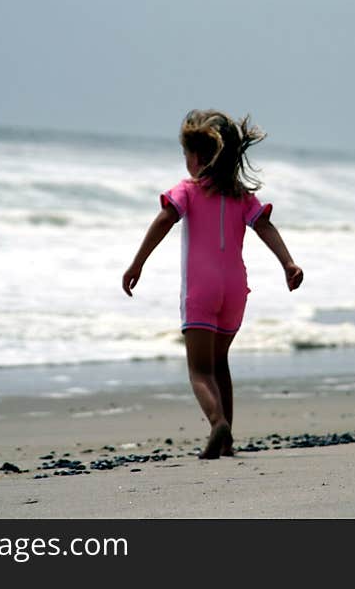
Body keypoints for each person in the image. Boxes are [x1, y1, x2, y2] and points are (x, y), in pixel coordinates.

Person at [122, 109, 303, 459]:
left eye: (186, 154)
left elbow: (164, 220)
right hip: (235, 290)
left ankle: (218, 422)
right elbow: (264, 226)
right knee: (220, 363)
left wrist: (137, 263)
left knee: (200, 371)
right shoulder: (241, 196)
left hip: (201, 291)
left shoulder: (187, 191)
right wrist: (288, 262)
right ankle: (228, 440)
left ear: (198, 157)